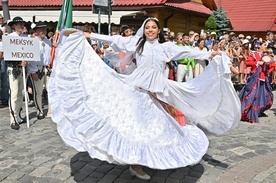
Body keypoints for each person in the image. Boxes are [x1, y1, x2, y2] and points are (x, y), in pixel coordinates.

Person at [49, 18, 240, 181]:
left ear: (158, 31)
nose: (150, 30)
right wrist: (89, 36)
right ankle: (136, 164)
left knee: (157, 129)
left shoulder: (165, 48)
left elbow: (187, 51)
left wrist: (209, 53)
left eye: (153, 28)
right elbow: (114, 39)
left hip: (157, 94)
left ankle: (144, 160)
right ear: (144, 30)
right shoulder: (136, 44)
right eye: (147, 27)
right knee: (136, 128)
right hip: (138, 91)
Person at [239, 41, 275, 123]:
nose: (266, 47)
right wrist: (258, 63)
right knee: (253, 95)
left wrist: (269, 70)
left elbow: (272, 65)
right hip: (255, 78)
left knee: (264, 95)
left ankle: (258, 111)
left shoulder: (266, 56)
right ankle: (250, 113)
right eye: (264, 45)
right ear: (259, 46)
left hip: (263, 78)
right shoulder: (254, 54)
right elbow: (248, 62)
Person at [6, 17, 28, 130]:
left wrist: (26, 62)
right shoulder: (9, 38)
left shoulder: (25, 38)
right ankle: (12, 118)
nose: (21, 25)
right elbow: (8, 55)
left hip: (22, 69)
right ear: (14, 26)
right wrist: (19, 61)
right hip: (13, 68)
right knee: (14, 93)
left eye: (22, 24)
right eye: (19, 24)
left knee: (20, 93)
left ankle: (18, 115)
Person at [27, 22, 51, 120]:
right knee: (38, 91)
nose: (43, 31)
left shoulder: (48, 41)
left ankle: (51, 110)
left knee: (50, 90)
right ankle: (40, 110)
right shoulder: (32, 42)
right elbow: (30, 58)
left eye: (45, 29)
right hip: (37, 68)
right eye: (41, 30)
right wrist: (33, 71)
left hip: (47, 68)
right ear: (36, 31)